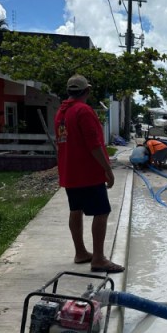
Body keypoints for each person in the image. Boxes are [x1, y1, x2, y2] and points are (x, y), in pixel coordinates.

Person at [55, 74, 124, 273]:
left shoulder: (61, 112)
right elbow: (94, 145)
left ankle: (80, 253)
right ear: (87, 91)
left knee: (75, 210)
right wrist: (107, 170)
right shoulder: (83, 111)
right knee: (102, 212)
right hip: (87, 172)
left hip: (70, 171)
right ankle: (99, 259)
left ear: (69, 91)